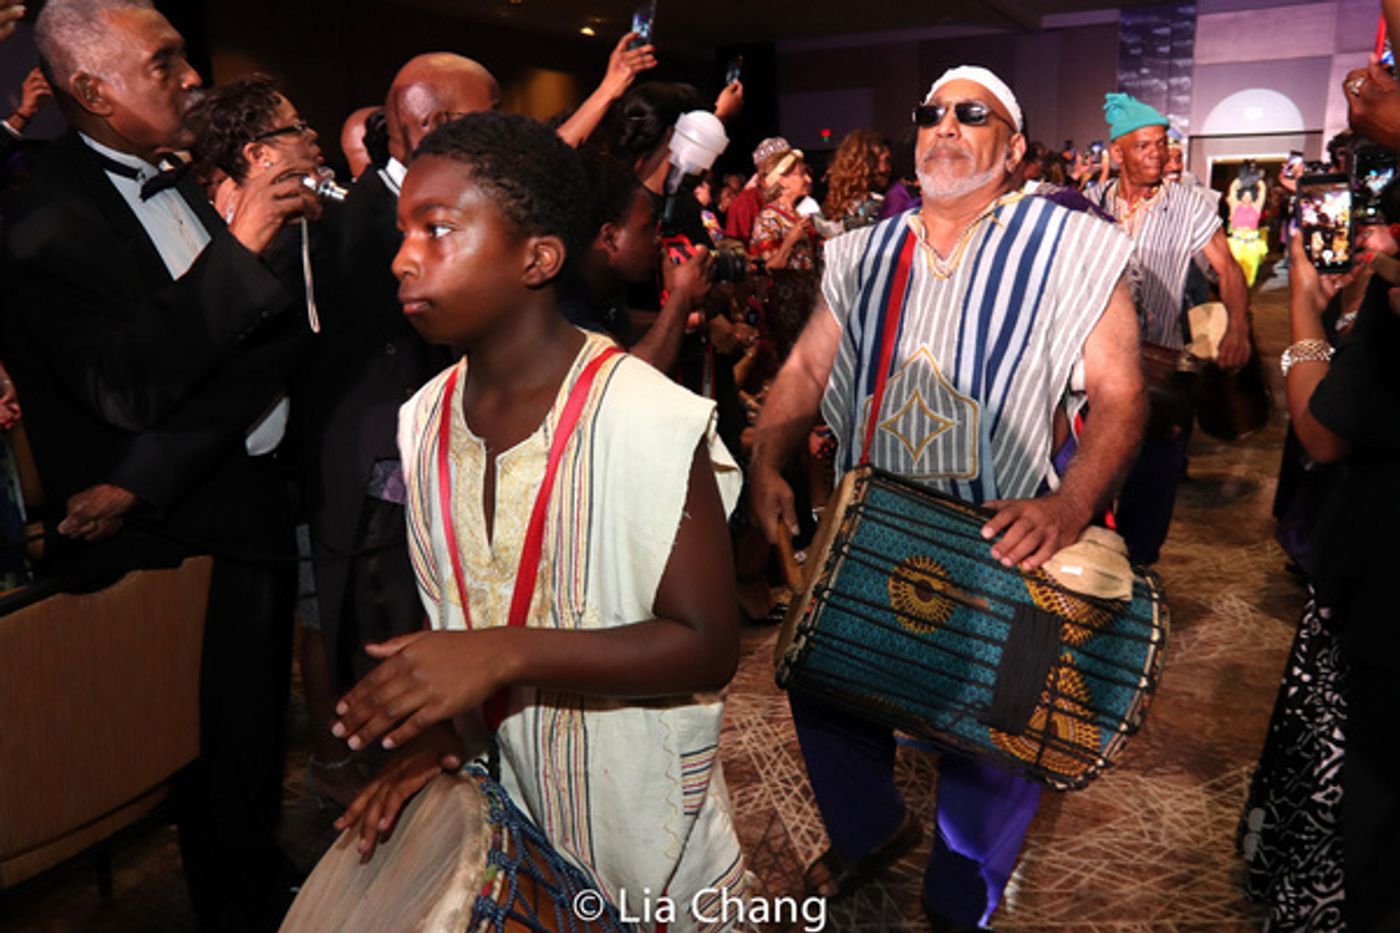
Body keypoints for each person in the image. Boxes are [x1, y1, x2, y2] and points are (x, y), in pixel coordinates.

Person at [329, 112, 749, 929]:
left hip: (647, 831)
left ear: (538, 258)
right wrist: (444, 733)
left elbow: (708, 644)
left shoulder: (645, 416)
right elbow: (463, 615)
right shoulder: (423, 421)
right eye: (403, 231)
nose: (403, 257)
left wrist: (501, 652)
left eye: (437, 229)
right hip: (514, 808)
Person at [749, 66, 1144, 932]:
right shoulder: (863, 252)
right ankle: (872, 828)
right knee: (823, 681)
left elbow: (1120, 395)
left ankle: (964, 893)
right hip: (874, 532)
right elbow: (808, 366)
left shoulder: (1074, 246)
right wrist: (767, 458)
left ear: (1015, 148)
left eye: (974, 114)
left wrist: (1068, 507)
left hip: (1013, 537)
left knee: (1004, 730)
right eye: (932, 113)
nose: (946, 127)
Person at [5, 1, 319, 929]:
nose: (193, 78)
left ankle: (263, 889)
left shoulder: (176, 176)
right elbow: (128, 388)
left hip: (237, 503)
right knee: (204, 756)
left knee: (252, 745)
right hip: (164, 544)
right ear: (94, 90)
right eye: (165, 62)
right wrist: (240, 245)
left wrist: (148, 468)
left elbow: (266, 350)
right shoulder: (43, 220)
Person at [1083, 92, 1252, 566]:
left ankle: (1138, 576)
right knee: (1090, 489)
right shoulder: (1090, 204)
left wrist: (1238, 328)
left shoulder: (1188, 206)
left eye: (1162, 143)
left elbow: (1228, 269)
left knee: (1150, 494)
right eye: (1144, 145)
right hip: (1093, 370)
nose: (1157, 154)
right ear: (1118, 153)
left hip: (1159, 372)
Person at [747, 147, 816, 271]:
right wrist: (790, 240)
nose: (808, 179)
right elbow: (767, 268)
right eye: (802, 174)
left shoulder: (798, 213)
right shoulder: (768, 219)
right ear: (783, 180)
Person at [822, 128, 890, 232]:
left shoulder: (836, 203)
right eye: (886, 161)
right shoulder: (873, 205)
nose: (889, 169)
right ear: (869, 164)